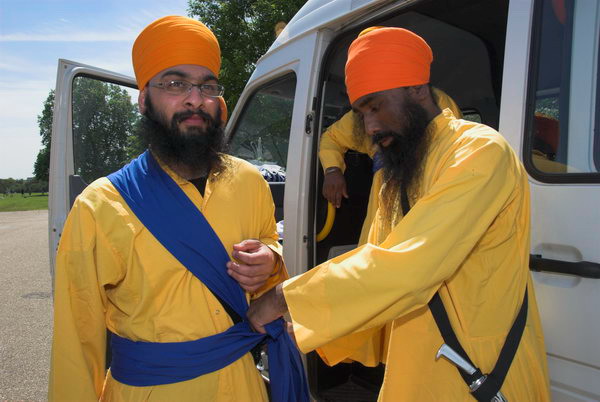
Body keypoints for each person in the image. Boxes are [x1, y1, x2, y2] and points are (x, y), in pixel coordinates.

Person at [248, 27, 550, 400]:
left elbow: (405, 267)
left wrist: (283, 300)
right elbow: (375, 268)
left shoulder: (480, 151)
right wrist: (307, 325)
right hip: (415, 367)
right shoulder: (397, 170)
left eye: (376, 106)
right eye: (361, 112)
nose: (370, 127)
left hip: (479, 373)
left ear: (418, 89)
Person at [49, 16, 307, 402]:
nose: (194, 98)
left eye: (206, 86)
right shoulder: (100, 206)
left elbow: (271, 242)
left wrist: (271, 257)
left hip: (244, 383)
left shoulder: (250, 182)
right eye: (175, 84)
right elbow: (76, 340)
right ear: (143, 99)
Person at [320, 88, 462, 246]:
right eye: (362, 115)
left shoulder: (440, 106)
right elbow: (332, 137)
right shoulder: (364, 111)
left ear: (417, 92)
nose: (369, 129)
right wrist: (332, 170)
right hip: (381, 211)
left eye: (375, 108)